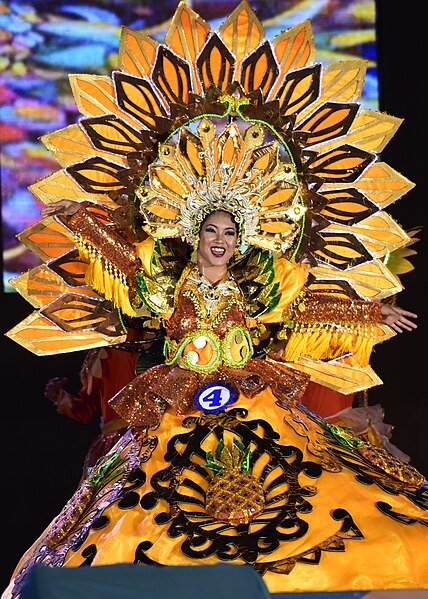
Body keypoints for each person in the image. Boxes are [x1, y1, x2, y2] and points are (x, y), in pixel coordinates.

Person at [3, 3, 427, 596]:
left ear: (241, 239)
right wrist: (82, 223)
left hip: (252, 392)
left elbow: (301, 310)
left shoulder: (260, 282)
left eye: (231, 233)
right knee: (133, 517)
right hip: (176, 403)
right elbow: (124, 264)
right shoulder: (165, 280)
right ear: (195, 235)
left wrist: (368, 311)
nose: (221, 241)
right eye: (211, 232)